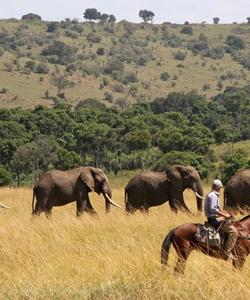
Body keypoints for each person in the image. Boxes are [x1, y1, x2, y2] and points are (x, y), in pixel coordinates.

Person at [204, 179, 238, 260]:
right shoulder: (213, 196)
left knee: (232, 221)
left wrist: (225, 213)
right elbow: (213, 210)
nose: (221, 188)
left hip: (214, 218)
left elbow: (216, 209)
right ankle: (227, 253)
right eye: (220, 187)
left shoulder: (212, 194)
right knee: (234, 232)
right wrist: (225, 215)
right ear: (217, 187)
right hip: (213, 220)